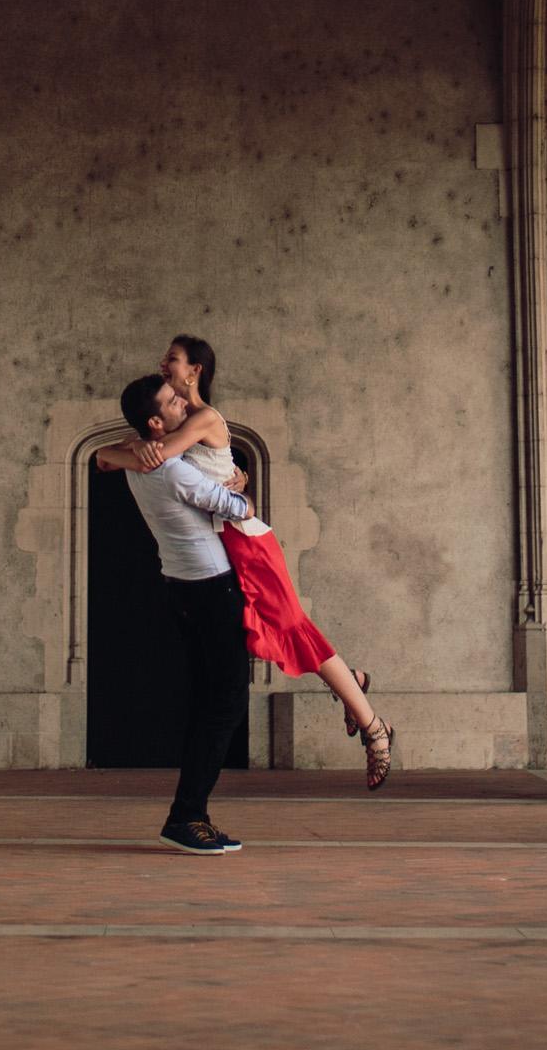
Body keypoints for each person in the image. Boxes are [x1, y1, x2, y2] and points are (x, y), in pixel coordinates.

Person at [97, 336, 395, 791]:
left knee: (293, 626)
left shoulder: (203, 418)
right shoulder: (177, 424)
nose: (163, 363)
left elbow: (157, 456)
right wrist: (122, 453)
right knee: (270, 632)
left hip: (246, 541)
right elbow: (109, 456)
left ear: (194, 371)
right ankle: (350, 683)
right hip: (223, 545)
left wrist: (129, 452)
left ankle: (374, 728)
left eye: (172, 360)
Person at [113, 373, 259, 854]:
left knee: (209, 702)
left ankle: (190, 813)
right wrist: (239, 485)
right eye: (174, 402)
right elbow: (233, 507)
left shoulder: (140, 462)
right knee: (227, 703)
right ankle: (186, 816)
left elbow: (110, 456)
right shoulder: (171, 470)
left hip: (182, 589)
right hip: (212, 589)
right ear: (157, 423)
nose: (184, 404)